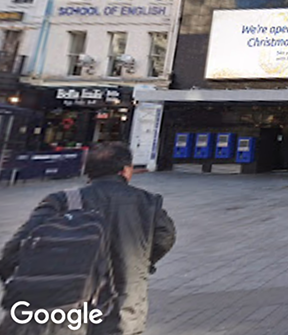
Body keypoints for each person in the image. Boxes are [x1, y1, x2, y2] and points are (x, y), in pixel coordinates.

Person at [0, 142, 176, 335]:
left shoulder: (61, 200)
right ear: (126, 170)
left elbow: (14, 251)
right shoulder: (147, 202)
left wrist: (30, 287)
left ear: (88, 170)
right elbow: (165, 237)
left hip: (63, 311)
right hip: (123, 310)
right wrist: (142, 264)